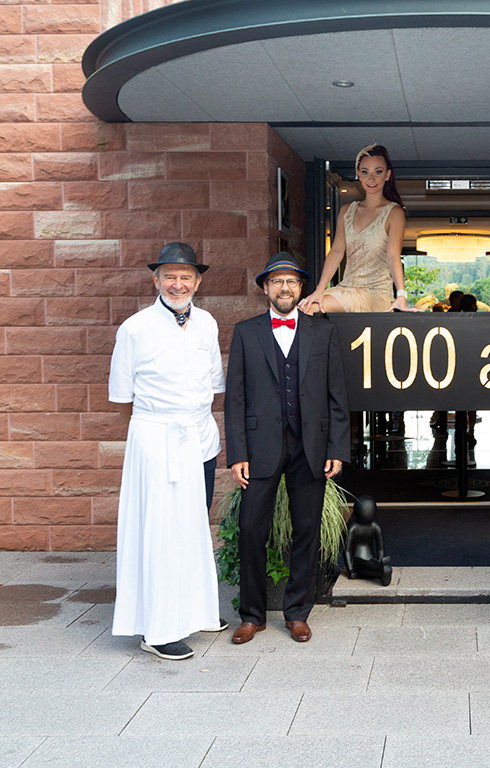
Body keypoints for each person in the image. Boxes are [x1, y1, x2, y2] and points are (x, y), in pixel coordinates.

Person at [108, 242, 226, 661]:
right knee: (160, 533)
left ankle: (194, 610)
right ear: (155, 280)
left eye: (186, 277)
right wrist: (154, 435)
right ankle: (157, 630)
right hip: (157, 441)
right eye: (170, 276)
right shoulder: (135, 328)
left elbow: (214, 384)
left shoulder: (207, 323)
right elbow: (122, 397)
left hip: (200, 439)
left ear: (198, 281)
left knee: (193, 529)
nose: (178, 284)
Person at [225, 253, 351, 645]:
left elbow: (336, 394)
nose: (285, 288)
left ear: (300, 288)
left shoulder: (323, 332)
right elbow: (235, 398)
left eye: (292, 282)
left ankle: (297, 613)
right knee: (251, 529)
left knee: (307, 529)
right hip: (259, 446)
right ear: (266, 288)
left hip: (310, 445)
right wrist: (237, 453)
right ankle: (252, 615)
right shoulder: (246, 332)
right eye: (277, 281)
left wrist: (336, 446)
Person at [302, 144, 410, 314]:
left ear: (388, 175)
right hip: (346, 289)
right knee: (304, 308)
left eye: (378, 172)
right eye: (365, 172)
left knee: (310, 309)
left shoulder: (394, 212)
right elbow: (336, 251)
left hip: (376, 293)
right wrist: (320, 290)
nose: (371, 179)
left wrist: (401, 294)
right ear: (358, 174)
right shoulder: (347, 211)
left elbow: (393, 255)